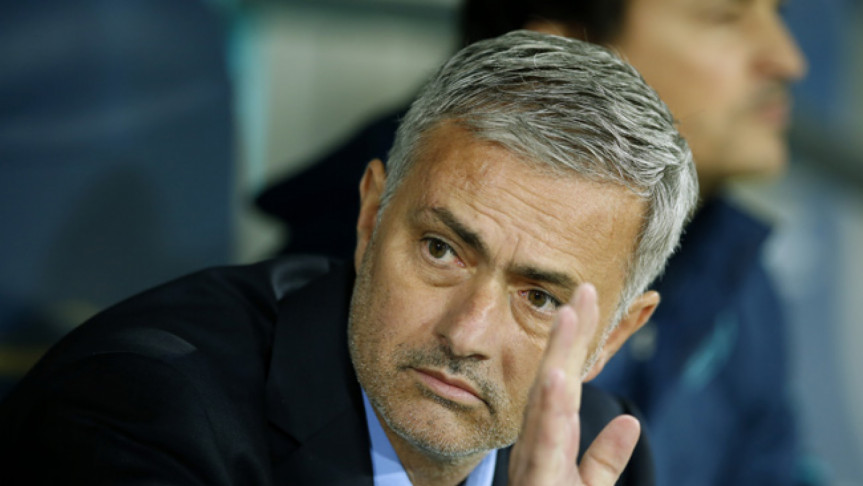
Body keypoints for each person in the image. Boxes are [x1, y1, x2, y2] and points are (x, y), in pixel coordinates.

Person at [0, 31, 698, 485]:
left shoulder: (594, 451)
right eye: (441, 250)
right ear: (369, 219)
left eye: (539, 298)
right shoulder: (141, 412)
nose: (466, 333)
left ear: (613, 336)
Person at [256, 1, 808, 484]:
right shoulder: (248, 357)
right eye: (723, 17)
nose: (787, 59)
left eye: (541, 297)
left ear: (619, 329)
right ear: (559, 52)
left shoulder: (739, 282)